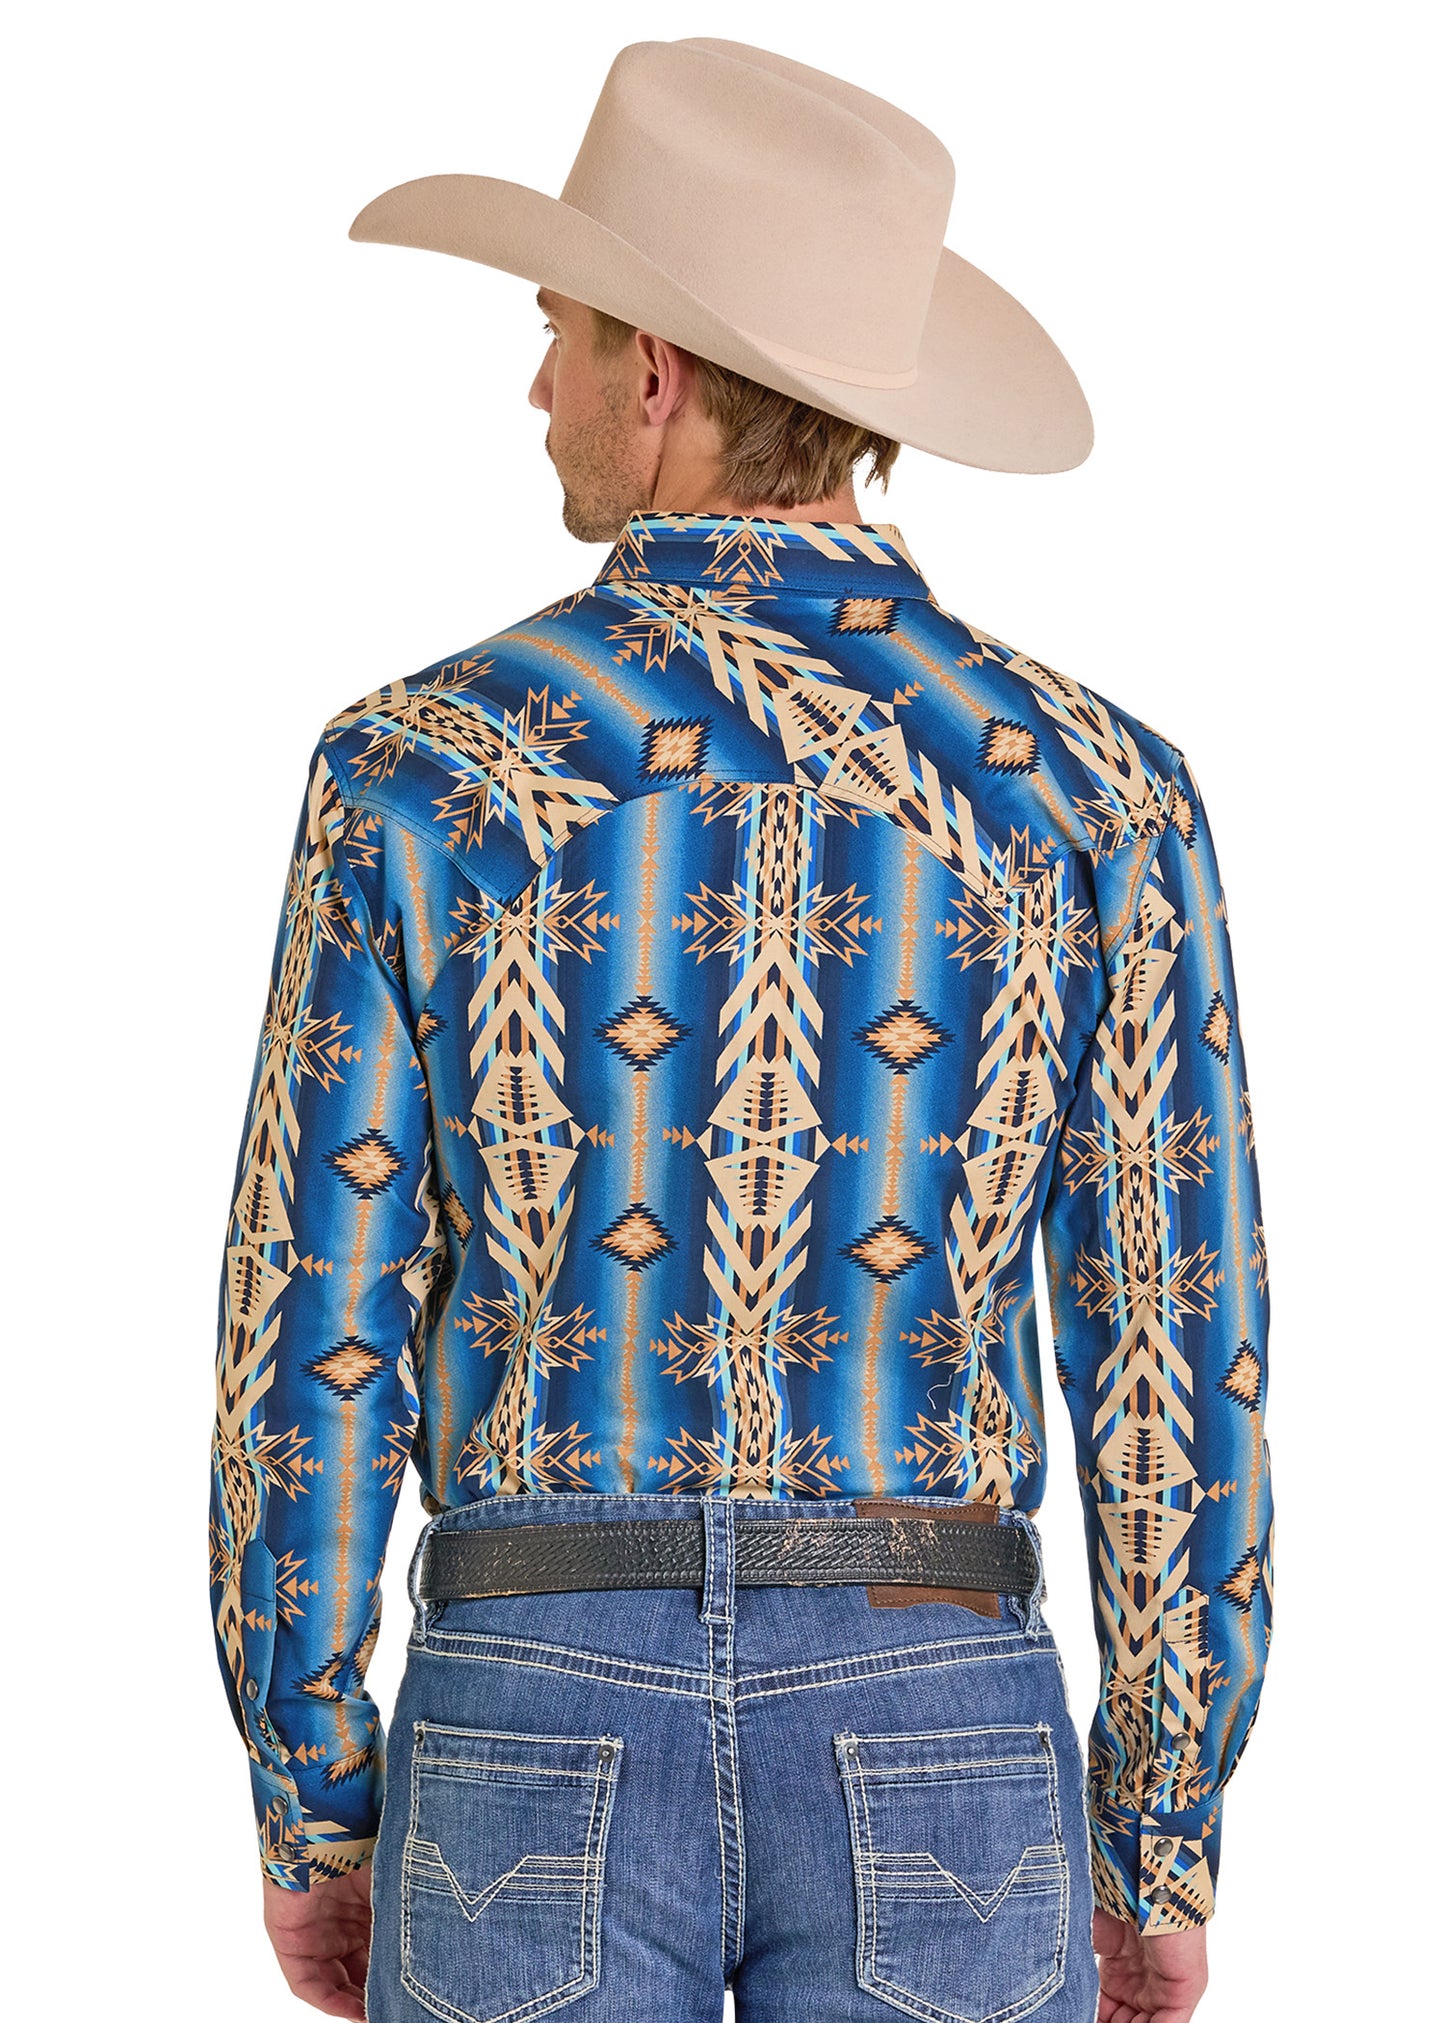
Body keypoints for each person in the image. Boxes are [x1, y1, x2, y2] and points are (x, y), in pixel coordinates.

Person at [208, 37, 1274, 2023]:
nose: (537, 385)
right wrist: (1157, 1831)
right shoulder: (1092, 796)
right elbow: (1168, 1345)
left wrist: (318, 1805)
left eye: (557, 330)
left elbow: (313, 1329)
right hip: (938, 1693)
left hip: (531, 1703)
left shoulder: (417, 774)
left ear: (658, 375)